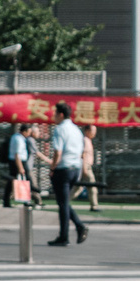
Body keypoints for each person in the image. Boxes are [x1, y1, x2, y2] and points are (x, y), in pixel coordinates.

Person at [47, 103, 89, 246]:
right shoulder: (76, 130)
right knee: (63, 202)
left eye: (55, 114)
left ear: (61, 115)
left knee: (63, 203)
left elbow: (58, 152)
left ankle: (65, 235)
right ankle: (77, 227)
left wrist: (52, 168)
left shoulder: (60, 129)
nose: (53, 117)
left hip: (63, 169)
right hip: (74, 169)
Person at [3, 122, 30, 207]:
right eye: (29, 132)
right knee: (24, 180)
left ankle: (6, 201)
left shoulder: (16, 137)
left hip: (15, 162)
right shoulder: (19, 139)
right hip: (18, 162)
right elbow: (17, 155)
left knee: (12, 181)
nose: (29, 134)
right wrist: (21, 167)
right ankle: (25, 200)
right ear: (24, 131)